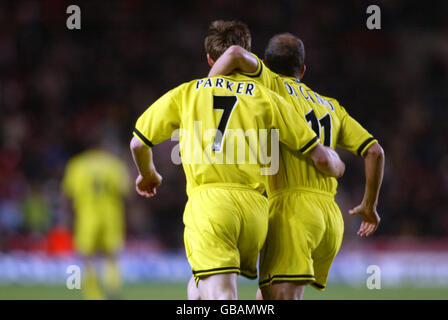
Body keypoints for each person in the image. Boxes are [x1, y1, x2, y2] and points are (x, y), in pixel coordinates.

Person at [130, 21, 345, 300]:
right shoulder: (268, 98)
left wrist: (148, 175)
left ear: (209, 59)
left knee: (222, 296)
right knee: (199, 290)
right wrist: (339, 164)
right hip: (256, 212)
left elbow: (138, 143)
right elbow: (319, 156)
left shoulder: (188, 92)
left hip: (211, 206)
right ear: (251, 56)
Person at [209, 32, 385, 300]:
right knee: (267, 296)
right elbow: (375, 151)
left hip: (292, 211)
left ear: (266, 66)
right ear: (302, 69)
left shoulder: (271, 86)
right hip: (329, 216)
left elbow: (234, 53)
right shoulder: (331, 106)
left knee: (281, 297)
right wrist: (369, 206)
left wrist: (205, 91)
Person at [62, 146, 130, 300]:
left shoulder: (77, 164)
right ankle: (113, 289)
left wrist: (67, 218)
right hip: (111, 214)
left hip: (86, 215)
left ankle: (93, 295)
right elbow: (125, 190)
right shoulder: (113, 163)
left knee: (86, 257)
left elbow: (68, 194)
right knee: (112, 255)